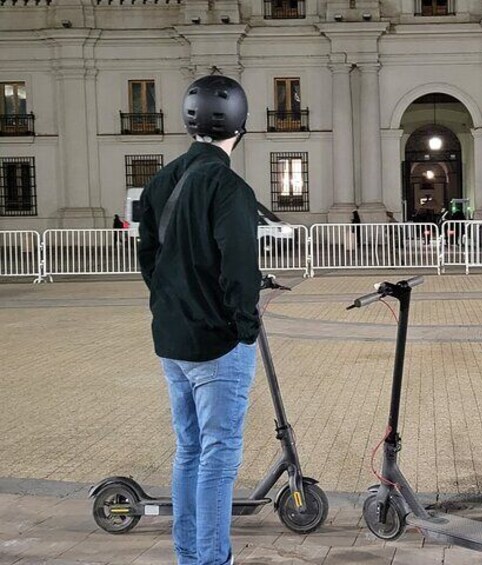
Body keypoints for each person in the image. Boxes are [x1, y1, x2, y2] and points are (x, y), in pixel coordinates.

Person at [137, 74, 261, 565]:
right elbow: (239, 270)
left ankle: (189, 556)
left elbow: (149, 260)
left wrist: (174, 303)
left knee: (189, 449)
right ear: (240, 126)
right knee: (219, 455)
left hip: (171, 340)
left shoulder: (160, 181)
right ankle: (211, 560)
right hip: (217, 346)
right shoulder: (229, 187)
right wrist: (244, 329)